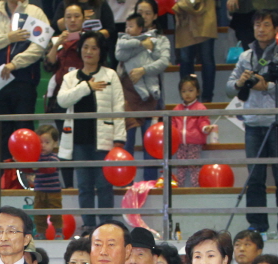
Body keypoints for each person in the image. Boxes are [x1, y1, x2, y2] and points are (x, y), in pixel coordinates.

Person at [226, 9, 278, 240]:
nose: (261, 29)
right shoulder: (245, 57)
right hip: (253, 124)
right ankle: (257, 226)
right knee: (255, 177)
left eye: (266, 25)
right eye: (257, 25)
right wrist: (240, 82)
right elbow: (229, 88)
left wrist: (267, 86)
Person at [56, 30, 125, 234]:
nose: (89, 51)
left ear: (100, 51)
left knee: (104, 185)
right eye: (85, 47)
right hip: (78, 140)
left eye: (94, 48)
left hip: (104, 140)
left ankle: (107, 225)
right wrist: (87, 86)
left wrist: (119, 139)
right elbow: (62, 100)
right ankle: (88, 226)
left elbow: (118, 107)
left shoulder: (110, 75)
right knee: (85, 186)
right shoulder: (70, 77)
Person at [0, 0, 49, 162]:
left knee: (24, 131)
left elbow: (38, 47)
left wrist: (15, 64)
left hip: (24, 81)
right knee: (1, 133)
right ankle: (5, 180)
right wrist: (8, 38)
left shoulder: (35, 12)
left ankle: (26, 177)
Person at [116, 4, 169, 182]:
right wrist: (139, 43)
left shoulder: (161, 39)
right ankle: (126, 185)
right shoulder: (125, 38)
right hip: (127, 96)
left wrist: (143, 70)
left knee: (151, 146)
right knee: (127, 144)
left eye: (148, 13)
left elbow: (163, 62)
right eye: (140, 13)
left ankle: (150, 185)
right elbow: (119, 55)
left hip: (150, 96)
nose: (144, 16)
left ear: (155, 16)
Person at [172, 76, 217, 187]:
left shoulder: (200, 108)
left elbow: (203, 121)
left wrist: (205, 128)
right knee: (180, 167)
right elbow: (172, 126)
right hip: (180, 144)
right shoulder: (177, 109)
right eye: (184, 91)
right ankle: (180, 187)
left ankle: (195, 187)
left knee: (194, 167)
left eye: (191, 90)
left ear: (198, 92)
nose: (187, 94)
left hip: (194, 144)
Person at [173, 0, 217, 103]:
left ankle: (207, 97)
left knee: (207, 59)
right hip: (185, 15)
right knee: (186, 60)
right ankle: (187, 96)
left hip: (205, 12)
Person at [32, 124, 62, 240]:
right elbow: (28, 169)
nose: (43, 145)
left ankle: (58, 231)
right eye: (40, 142)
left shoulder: (54, 157)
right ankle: (40, 232)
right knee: (39, 212)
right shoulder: (35, 157)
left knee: (55, 212)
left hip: (53, 191)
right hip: (39, 190)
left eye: (47, 142)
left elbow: (50, 169)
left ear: (55, 143)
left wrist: (37, 167)